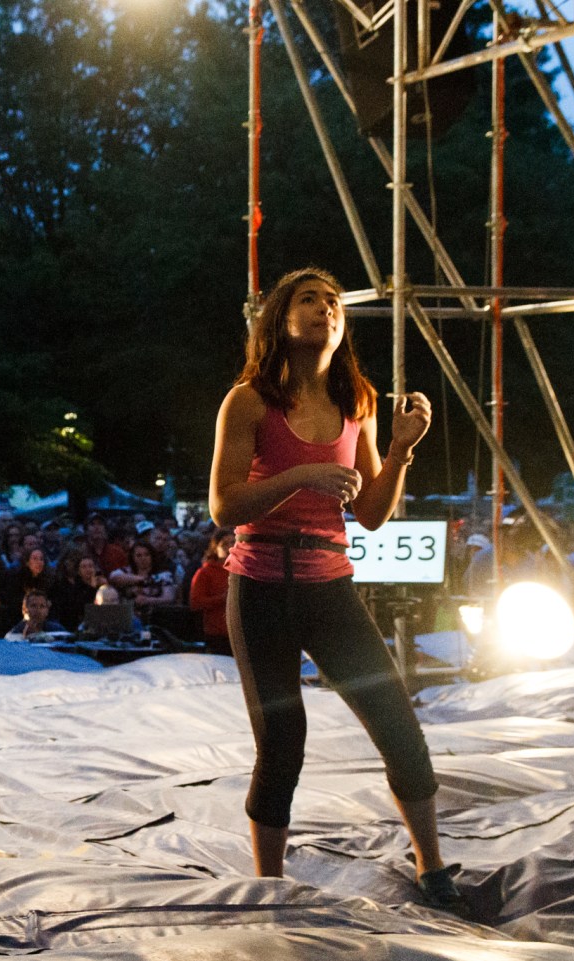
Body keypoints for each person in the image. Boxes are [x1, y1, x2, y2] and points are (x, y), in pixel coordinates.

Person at [207, 267, 463, 912]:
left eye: (334, 302)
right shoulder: (249, 400)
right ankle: (269, 886)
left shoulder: (360, 402)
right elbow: (222, 506)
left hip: (330, 588)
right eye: (310, 300)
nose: (326, 309)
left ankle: (433, 868)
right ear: (280, 319)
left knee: (400, 729)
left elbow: (372, 514)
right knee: (282, 743)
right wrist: (303, 477)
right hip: (259, 585)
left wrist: (402, 450)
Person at [189, 527, 234, 655]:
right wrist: (222, 598)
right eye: (225, 544)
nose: (229, 547)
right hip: (216, 634)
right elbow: (195, 602)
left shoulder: (240, 572)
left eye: (233, 543)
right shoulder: (205, 573)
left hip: (237, 633)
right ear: (215, 547)